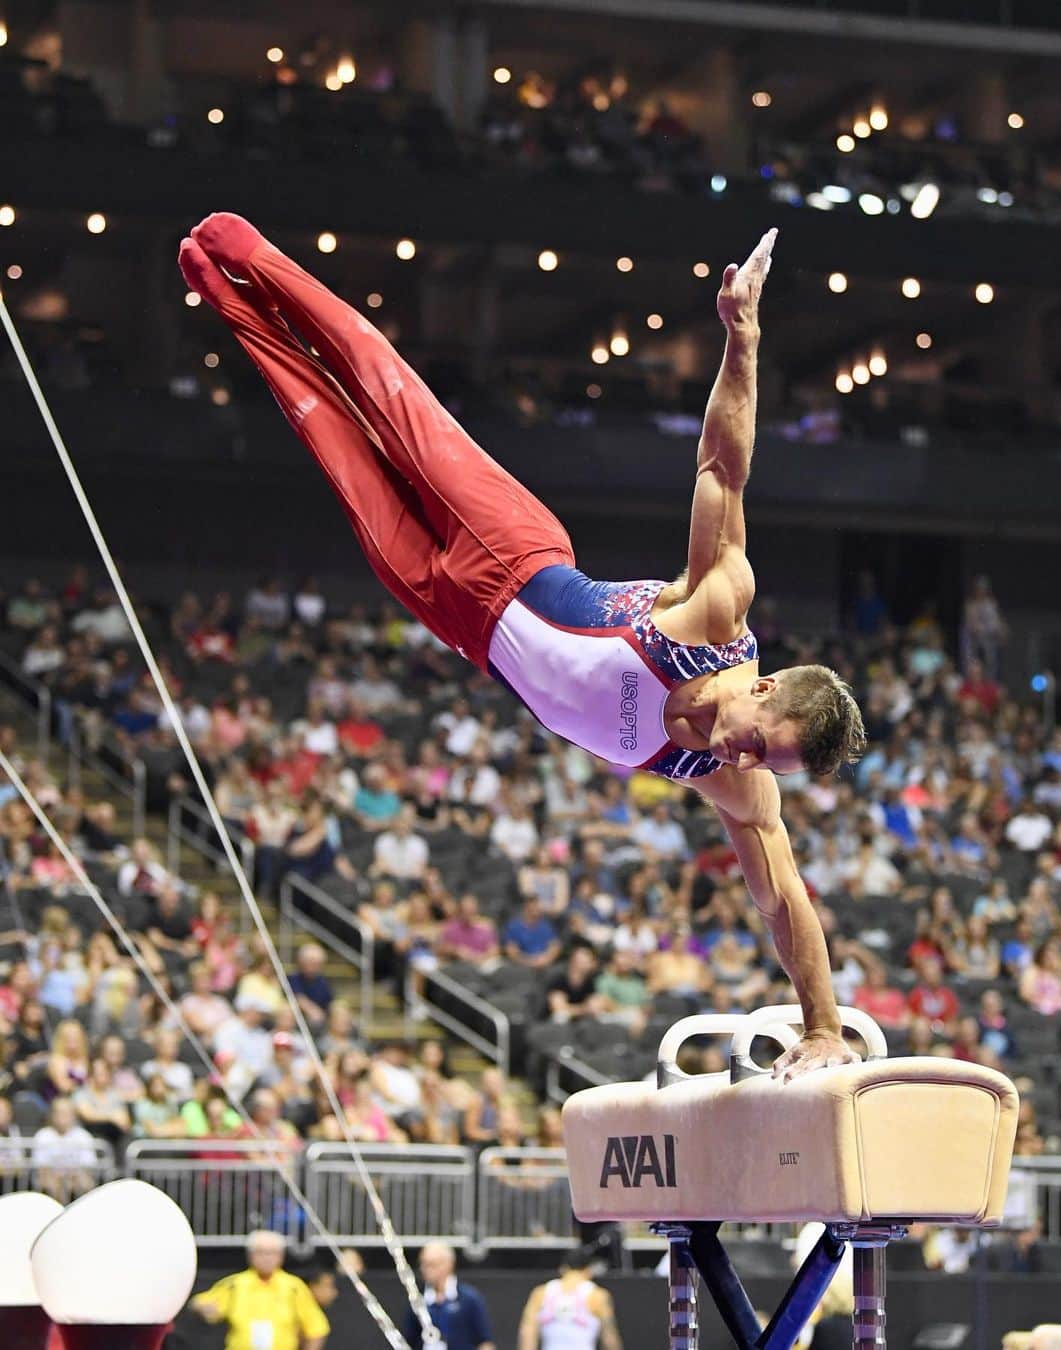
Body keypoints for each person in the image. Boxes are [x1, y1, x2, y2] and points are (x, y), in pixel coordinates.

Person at [179, 214, 866, 1078]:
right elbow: (722, 468)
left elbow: (782, 899)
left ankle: (218, 290)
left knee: (335, 445)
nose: (747, 757)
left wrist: (824, 1025)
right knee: (385, 395)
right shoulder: (716, 613)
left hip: (464, 627)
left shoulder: (733, 783)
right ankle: (254, 256)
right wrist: (744, 338)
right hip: (509, 550)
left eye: (768, 763)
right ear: (764, 690)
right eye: (761, 741)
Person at [190, 1228, 329, 1350]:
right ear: (250, 1255)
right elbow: (200, 1303)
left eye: (272, 1253)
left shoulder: (293, 1287)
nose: (267, 1258)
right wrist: (203, 1308)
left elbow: (316, 1327)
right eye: (261, 1252)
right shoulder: (235, 1284)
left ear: (281, 1256)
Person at [517, 1249, 621, 1350]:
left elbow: (527, 1333)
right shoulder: (597, 1295)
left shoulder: (541, 1293)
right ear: (588, 1270)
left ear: (563, 1268)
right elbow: (609, 1337)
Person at [403, 1243, 494, 1350]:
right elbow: (409, 1341)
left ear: (448, 1265)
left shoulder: (469, 1299)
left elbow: (484, 1342)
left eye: (432, 1265)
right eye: (423, 1264)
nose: (425, 1270)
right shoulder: (417, 1300)